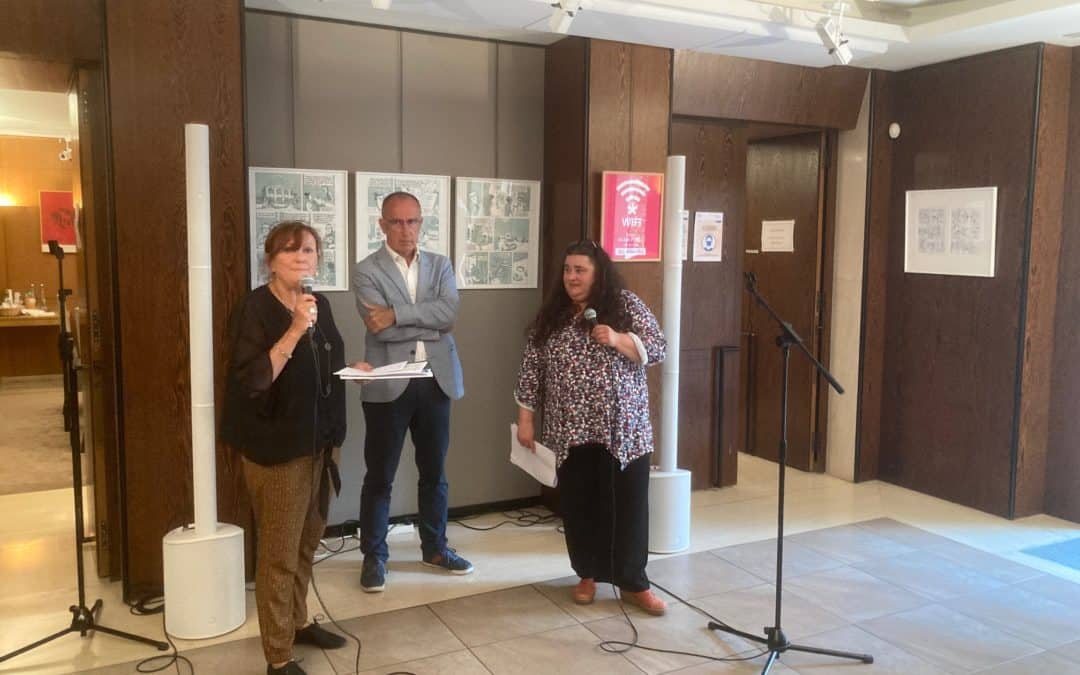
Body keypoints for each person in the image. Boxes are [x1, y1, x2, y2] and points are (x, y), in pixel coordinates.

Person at [222, 221, 360, 675]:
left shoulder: (319, 304)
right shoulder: (256, 310)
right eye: (290, 250)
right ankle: (278, 656)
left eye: (310, 250)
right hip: (277, 449)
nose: (302, 257)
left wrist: (355, 369)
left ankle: (297, 622)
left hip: (318, 442)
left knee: (307, 541)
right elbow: (254, 380)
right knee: (278, 554)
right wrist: (296, 329)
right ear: (270, 259)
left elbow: (325, 363)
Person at [514, 240, 668, 616]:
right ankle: (587, 575)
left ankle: (634, 582)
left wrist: (617, 339)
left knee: (628, 506)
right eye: (567, 270)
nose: (571, 277)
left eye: (579, 270)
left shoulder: (625, 305)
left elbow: (658, 347)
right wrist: (526, 418)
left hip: (623, 430)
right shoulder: (553, 314)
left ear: (598, 272)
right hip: (571, 429)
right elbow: (531, 367)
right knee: (581, 505)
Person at [352, 191, 472, 593]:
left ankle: (435, 548)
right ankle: (375, 556)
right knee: (380, 475)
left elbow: (450, 313)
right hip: (388, 382)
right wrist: (431, 323)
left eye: (413, 221)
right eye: (397, 222)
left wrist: (400, 313)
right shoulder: (366, 270)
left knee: (434, 473)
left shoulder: (440, 264)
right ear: (382, 224)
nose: (406, 230)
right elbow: (378, 328)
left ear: (422, 223)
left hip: (435, 380)